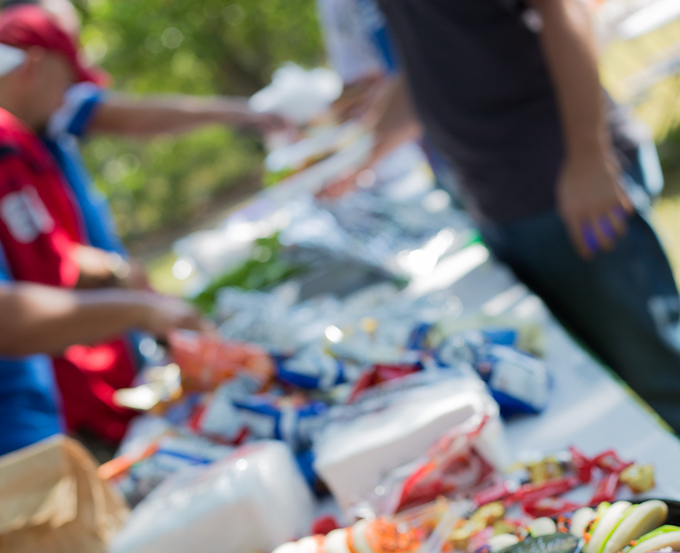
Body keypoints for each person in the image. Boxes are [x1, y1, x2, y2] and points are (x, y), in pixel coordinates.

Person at [340, 0, 680, 433]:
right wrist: (357, 154)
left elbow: (562, 10)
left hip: (563, 186)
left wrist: (589, 156)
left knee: (661, 371)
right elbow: (431, 58)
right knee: (596, 387)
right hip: (496, 199)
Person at [0, 3, 285, 456]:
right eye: (65, 83)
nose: (67, 98)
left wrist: (118, 277)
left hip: (53, 409)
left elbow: (51, 258)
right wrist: (137, 308)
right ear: (35, 67)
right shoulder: (9, 141)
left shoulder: (23, 133)